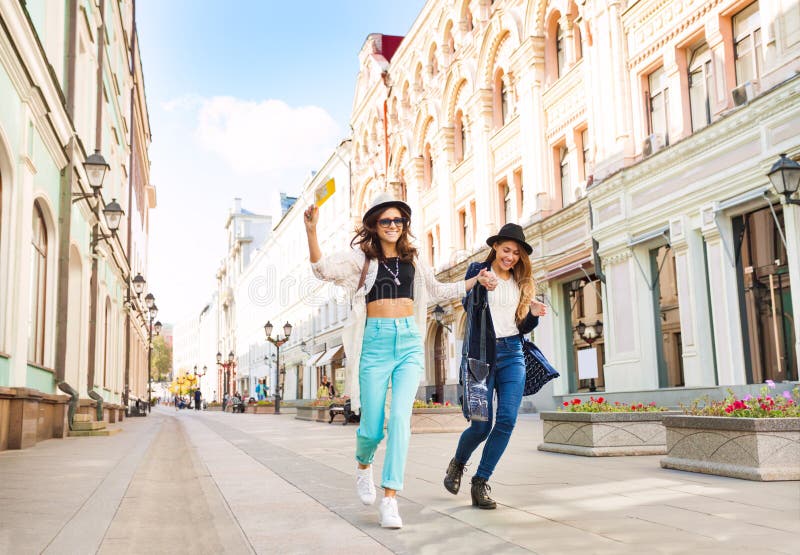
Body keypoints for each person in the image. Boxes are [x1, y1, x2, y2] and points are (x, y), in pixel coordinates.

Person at [305, 193, 493, 529]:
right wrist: (312, 231)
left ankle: (390, 498)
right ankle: (364, 465)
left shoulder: (413, 260)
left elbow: (439, 291)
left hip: (408, 342)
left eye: (398, 220)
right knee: (372, 428)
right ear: (374, 225)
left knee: (401, 423)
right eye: (385, 221)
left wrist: (475, 280)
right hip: (374, 344)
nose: (393, 226)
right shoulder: (359, 259)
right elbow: (321, 269)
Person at [442, 223, 548, 509]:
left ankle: (480, 482)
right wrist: (480, 284)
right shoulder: (478, 270)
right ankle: (458, 463)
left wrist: (534, 315)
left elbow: (519, 325)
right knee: (480, 425)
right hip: (479, 358)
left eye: (515, 253)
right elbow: (469, 308)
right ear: (496, 248)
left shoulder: (521, 282)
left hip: (513, 354)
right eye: (506, 250)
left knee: (507, 421)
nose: (510, 256)